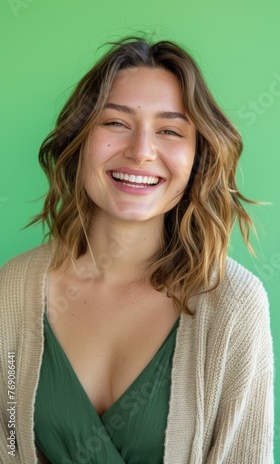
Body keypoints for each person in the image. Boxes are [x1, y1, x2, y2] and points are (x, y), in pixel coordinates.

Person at [0, 37, 274, 464]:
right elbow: (9, 444)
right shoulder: (12, 290)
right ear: (80, 140)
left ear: (197, 156)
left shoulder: (233, 305)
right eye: (115, 123)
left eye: (169, 130)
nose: (141, 151)